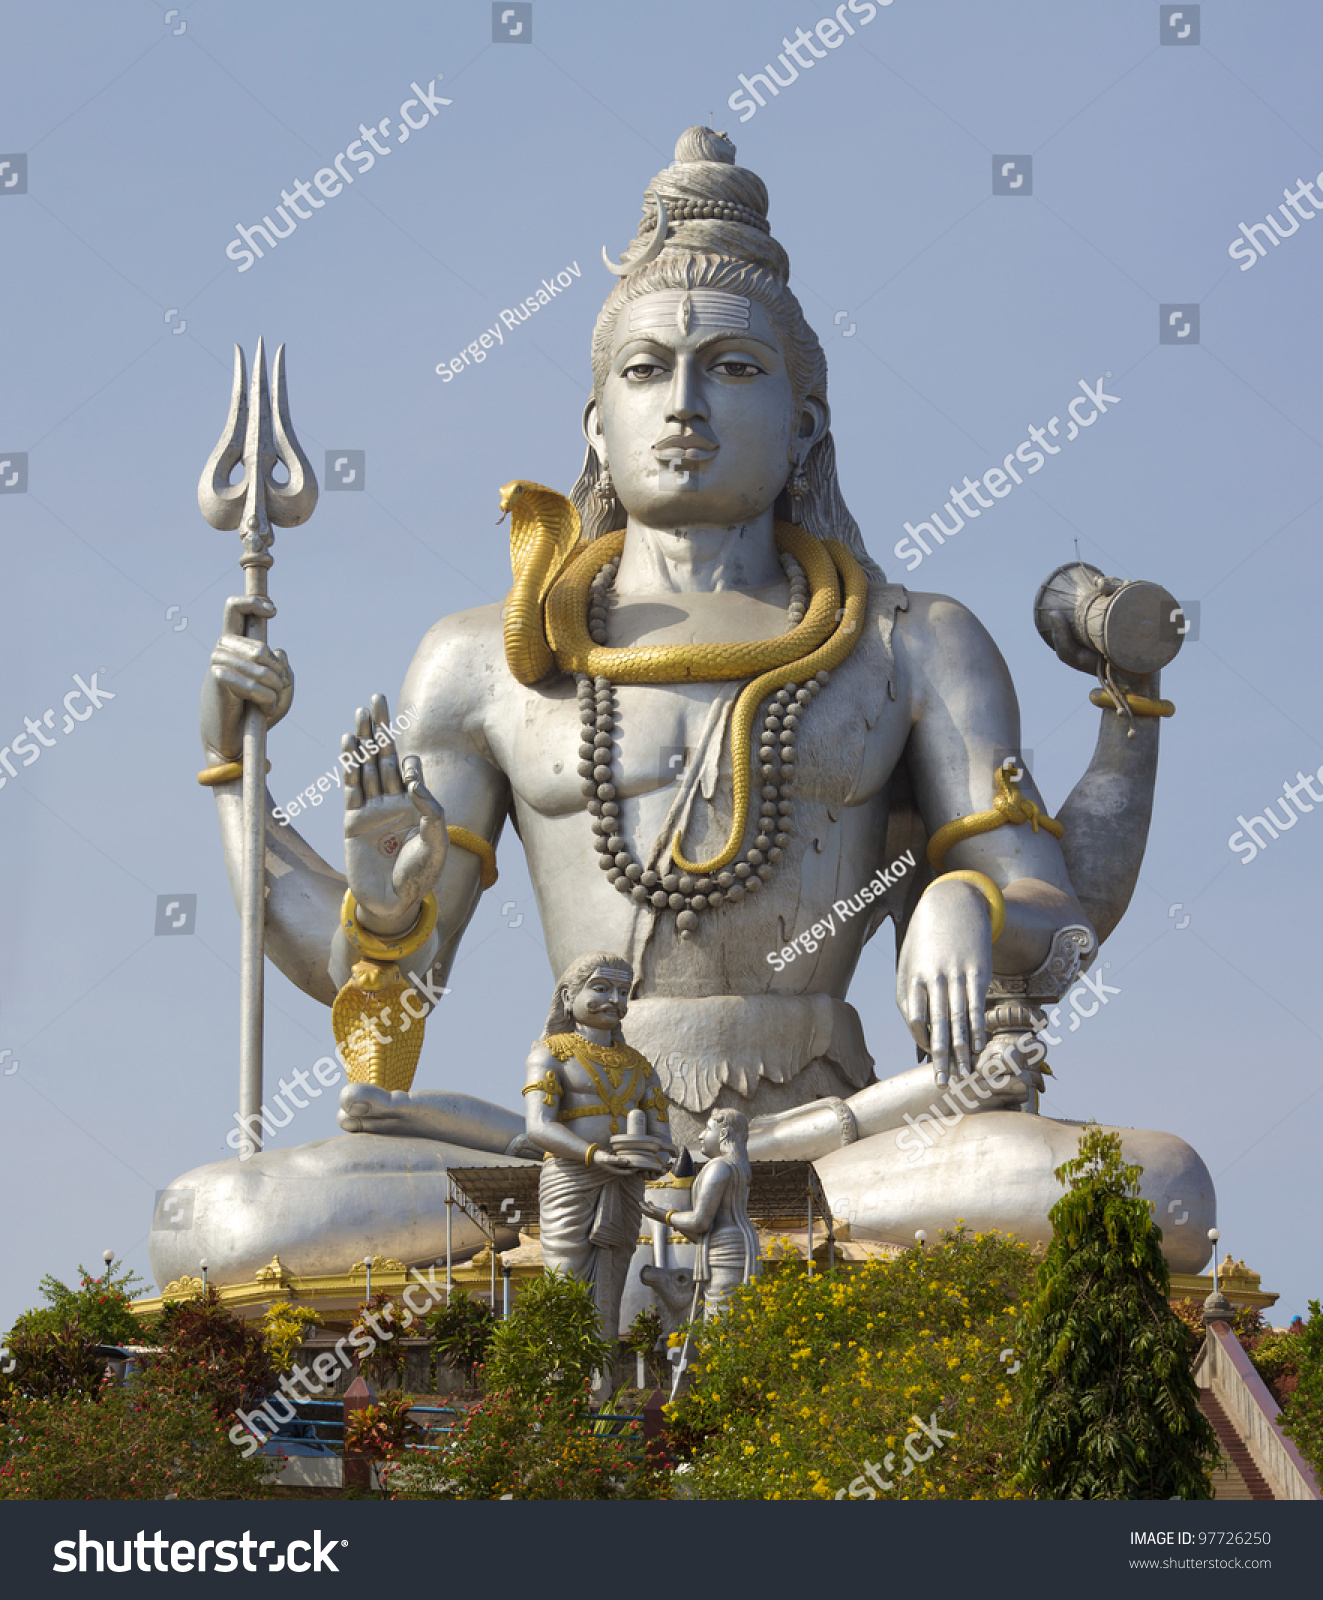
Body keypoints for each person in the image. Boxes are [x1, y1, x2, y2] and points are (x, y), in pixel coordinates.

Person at [195, 126, 1212, 1268]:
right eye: (645, 370)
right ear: (597, 422)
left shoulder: (912, 643)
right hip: (573, 1145)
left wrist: (971, 902)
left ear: (804, 425)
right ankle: (612, 1252)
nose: (685, 404)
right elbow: (376, 1005)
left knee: (1155, 1186)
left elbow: (1059, 925)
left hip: (836, 1147)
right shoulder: (484, 662)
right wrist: (255, 791)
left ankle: (650, 1260)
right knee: (220, 1219)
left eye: (733, 368)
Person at [521, 952, 672, 1342]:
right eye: (601, 988)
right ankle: (564, 1380)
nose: (615, 1000)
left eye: (623, 992)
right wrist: (595, 1155)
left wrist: (654, 1159)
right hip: (571, 1178)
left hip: (625, 1184)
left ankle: (602, 1382)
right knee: (567, 1280)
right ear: (569, 997)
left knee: (612, 1280)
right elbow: (539, 1126)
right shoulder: (550, 1051)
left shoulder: (639, 1065)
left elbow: (663, 1138)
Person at [642, 1108, 758, 1318]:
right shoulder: (738, 1168)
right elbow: (700, 1233)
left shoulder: (720, 1167)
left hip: (725, 1254)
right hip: (733, 1244)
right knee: (728, 1322)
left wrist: (662, 1215)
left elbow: (700, 1222)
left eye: (708, 1128)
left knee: (721, 1324)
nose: (700, 1135)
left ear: (723, 1134)